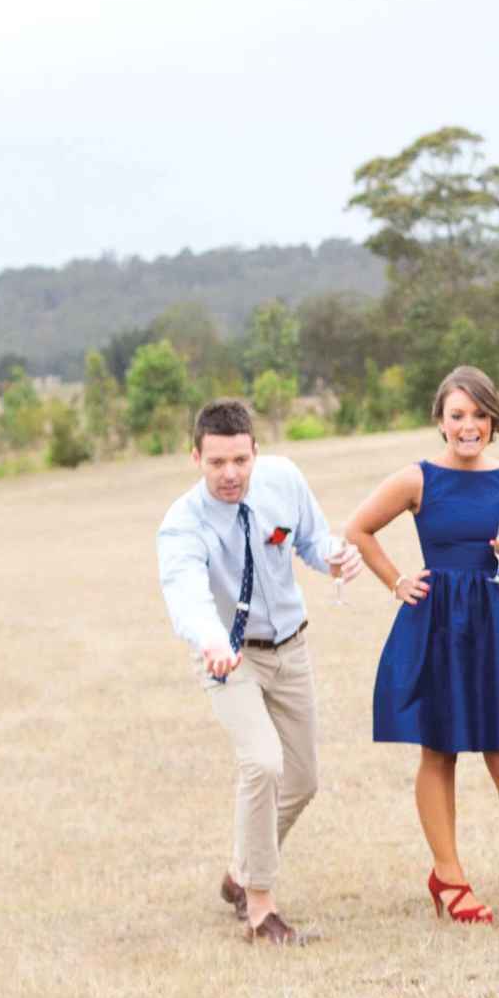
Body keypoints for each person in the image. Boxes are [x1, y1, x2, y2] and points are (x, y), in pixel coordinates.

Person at [345, 366, 499, 925]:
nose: (469, 426)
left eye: (479, 415)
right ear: (441, 421)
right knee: (439, 750)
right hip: (440, 625)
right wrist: (397, 581)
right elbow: (357, 530)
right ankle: (448, 877)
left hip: (497, 624)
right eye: (458, 416)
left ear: (494, 420)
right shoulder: (417, 478)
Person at [156, 398, 361, 943]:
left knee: (304, 779)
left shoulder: (283, 480)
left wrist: (337, 555)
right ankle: (261, 909)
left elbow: (313, 543)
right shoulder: (181, 525)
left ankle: (240, 873)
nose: (230, 475)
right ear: (195, 456)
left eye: (240, 461)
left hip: (291, 648)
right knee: (262, 764)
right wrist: (211, 642)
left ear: (256, 453)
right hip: (230, 656)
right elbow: (187, 597)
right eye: (217, 462)